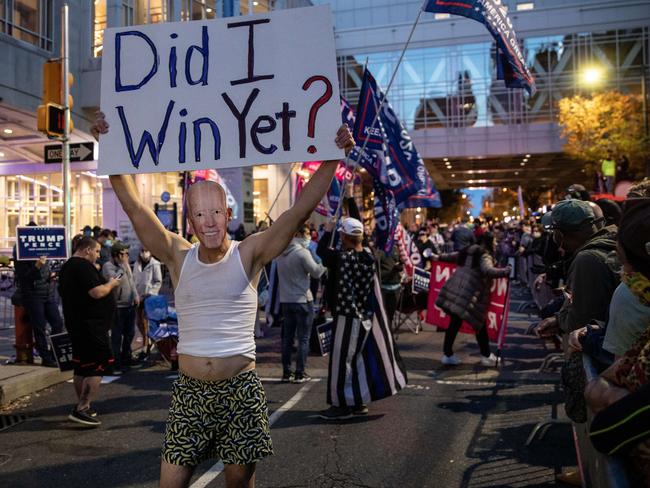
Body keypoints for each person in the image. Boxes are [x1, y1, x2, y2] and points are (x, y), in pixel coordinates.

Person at [92, 111, 354, 488]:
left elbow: (298, 211)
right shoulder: (177, 255)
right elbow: (135, 209)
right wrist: (110, 147)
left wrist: (333, 156)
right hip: (189, 393)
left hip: (240, 390)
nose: (210, 220)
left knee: (238, 485)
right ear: (191, 222)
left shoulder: (249, 253)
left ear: (227, 214)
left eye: (215, 211)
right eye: (200, 214)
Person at [317, 217, 407, 420]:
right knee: (358, 360)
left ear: (344, 236)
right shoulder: (369, 256)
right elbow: (357, 244)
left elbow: (321, 252)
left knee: (341, 362)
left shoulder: (342, 259)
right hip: (364, 315)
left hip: (346, 315)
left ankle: (340, 405)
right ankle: (358, 402)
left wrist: (328, 230)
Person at [58, 236, 120, 427]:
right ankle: (82, 408)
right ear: (87, 250)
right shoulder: (82, 266)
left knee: (82, 367)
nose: (98, 255)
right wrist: (111, 284)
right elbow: (96, 292)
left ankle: (82, 406)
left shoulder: (68, 267)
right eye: (96, 251)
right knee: (98, 365)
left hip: (77, 325)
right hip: (91, 327)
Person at [536, 200, 620, 342]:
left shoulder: (587, 259)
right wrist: (558, 319)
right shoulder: (612, 243)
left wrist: (560, 322)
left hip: (602, 351)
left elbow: (580, 320)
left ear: (562, 234)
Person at [434, 232, 511, 367]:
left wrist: (436, 256)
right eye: (494, 241)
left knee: (454, 324)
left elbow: (451, 256)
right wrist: (506, 271)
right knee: (479, 324)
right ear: (488, 242)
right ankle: (485, 356)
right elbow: (488, 270)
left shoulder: (467, 250)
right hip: (469, 296)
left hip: (456, 291)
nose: (496, 243)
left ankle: (448, 355)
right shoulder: (484, 255)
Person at [275, 224, 326, 383]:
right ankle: (300, 372)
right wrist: (324, 262)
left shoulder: (280, 254)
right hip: (303, 299)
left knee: (287, 338)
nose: (308, 237)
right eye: (306, 234)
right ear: (298, 235)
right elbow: (316, 272)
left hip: (286, 300)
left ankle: (286, 372)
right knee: (303, 338)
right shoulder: (302, 253)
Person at [13, 224, 64, 367]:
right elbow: (24, 277)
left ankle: (54, 354)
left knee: (57, 323)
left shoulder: (45, 249)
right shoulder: (21, 250)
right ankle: (46, 358)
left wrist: (50, 275)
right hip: (33, 294)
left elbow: (46, 271)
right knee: (39, 327)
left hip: (48, 292)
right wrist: (37, 266)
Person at [102, 241, 139, 373]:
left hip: (129, 304)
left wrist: (135, 295)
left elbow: (131, 281)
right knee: (116, 335)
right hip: (117, 306)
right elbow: (115, 280)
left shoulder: (125, 265)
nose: (126, 257)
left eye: (127, 254)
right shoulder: (108, 266)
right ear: (116, 255)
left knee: (130, 333)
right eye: (124, 254)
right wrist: (124, 266)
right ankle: (116, 361)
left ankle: (126, 356)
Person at [133, 246, 163, 360]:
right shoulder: (137, 264)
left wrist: (150, 293)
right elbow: (134, 279)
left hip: (149, 297)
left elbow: (158, 281)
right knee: (138, 322)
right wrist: (135, 294)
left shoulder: (155, 264)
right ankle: (149, 340)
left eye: (146, 251)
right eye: (142, 251)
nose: (144, 253)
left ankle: (145, 347)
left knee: (145, 323)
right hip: (138, 297)